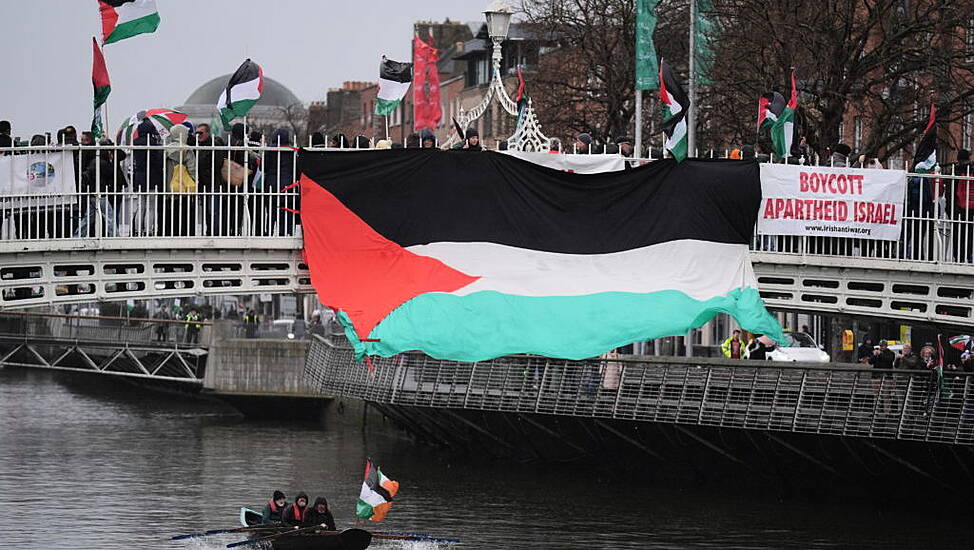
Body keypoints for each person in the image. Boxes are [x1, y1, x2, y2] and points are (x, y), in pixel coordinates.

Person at [131, 119, 165, 236]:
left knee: (140, 206)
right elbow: (157, 161)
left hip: (139, 178)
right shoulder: (153, 143)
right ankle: (148, 230)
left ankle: (137, 230)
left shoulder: (135, 143)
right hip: (152, 178)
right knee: (151, 207)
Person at [165, 124, 198, 236]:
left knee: (171, 213)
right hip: (184, 188)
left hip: (169, 186)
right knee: (185, 213)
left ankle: (172, 233)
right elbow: (192, 169)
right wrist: (195, 181)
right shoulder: (186, 150)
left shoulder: (166, 149)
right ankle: (185, 233)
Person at [264, 128, 297, 236]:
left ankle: (269, 232)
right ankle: (286, 233)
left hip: (271, 185)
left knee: (271, 211)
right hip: (288, 185)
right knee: (286, 211)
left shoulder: (269, 150)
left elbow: (263, 167)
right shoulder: (292, 151)